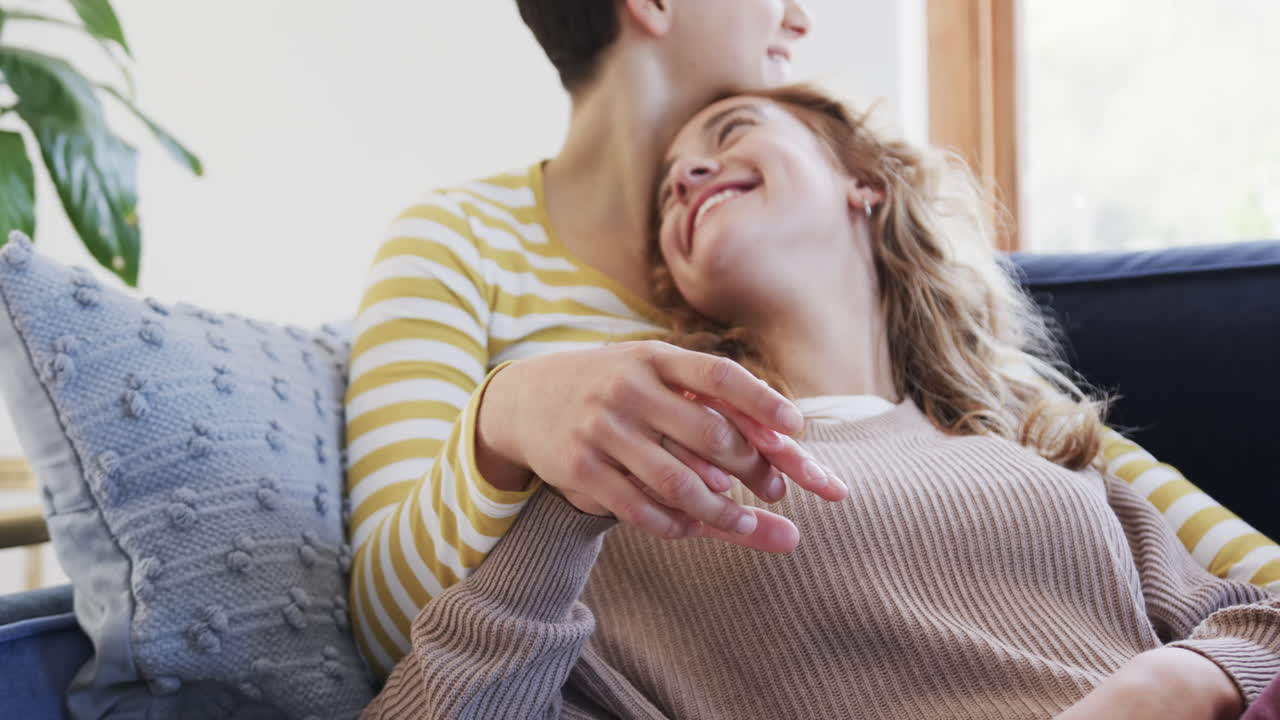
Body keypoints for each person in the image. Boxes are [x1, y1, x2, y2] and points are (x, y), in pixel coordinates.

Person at [361, 85, 1280, 719]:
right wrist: (540, 460)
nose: (686, 173)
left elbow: (1258, 618)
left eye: (731, 132)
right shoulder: (649, 491)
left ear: (864, 184)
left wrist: (1175, 679)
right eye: (671, 181)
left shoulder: (1048, 458)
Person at [343, 0, 833, 677]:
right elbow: (388, 635)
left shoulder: (795, 227)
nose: (800, 21)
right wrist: (505, 418)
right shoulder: (459, 243)